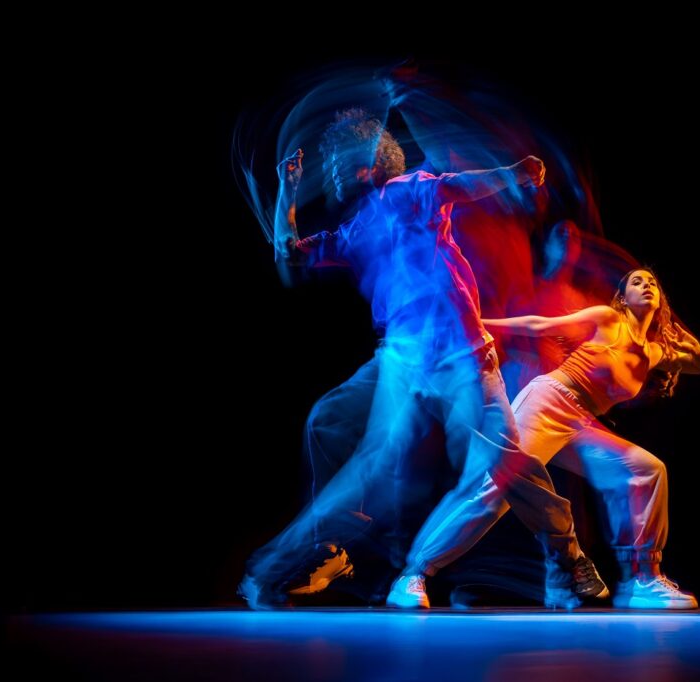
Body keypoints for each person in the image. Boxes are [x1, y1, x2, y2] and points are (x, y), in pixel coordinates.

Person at [238, 108, 608, 610]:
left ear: (369, 159)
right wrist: (287, 189)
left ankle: (565, 562)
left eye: (342, 160)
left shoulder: (412, 189)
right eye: (329, 166)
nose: (334, 173)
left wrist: (511, 174)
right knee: (346, 438)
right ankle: (312, 555)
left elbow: (459, 186)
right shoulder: (355, 228)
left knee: (505, 464)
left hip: (464, 359)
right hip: (403, 362)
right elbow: (290, 251)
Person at [392, 267, 700, 609]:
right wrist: (476, 327)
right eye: (637, 281)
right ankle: (415, 573)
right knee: (495, 489)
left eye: (653, 283)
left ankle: (642, 579)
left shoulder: (653, 353)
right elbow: (539, 325)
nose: (646, 285)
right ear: (622, 297)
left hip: (582, 422)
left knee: (646, 469)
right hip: (549, 400)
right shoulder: (607, 319)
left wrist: (674, 332)